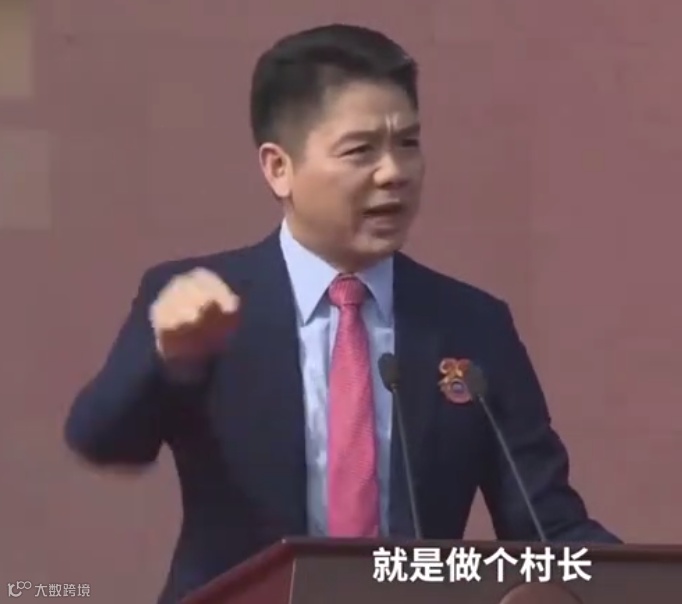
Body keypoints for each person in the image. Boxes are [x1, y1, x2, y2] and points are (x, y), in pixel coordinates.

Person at [64, 23, 619, 604]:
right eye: (360, 151)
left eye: (408, 143)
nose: (394, 172)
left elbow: (546, 525)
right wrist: (166, 357)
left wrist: (639, 584)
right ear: (279, 168)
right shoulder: (202, 304)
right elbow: (103, 441)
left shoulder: (472, 325)